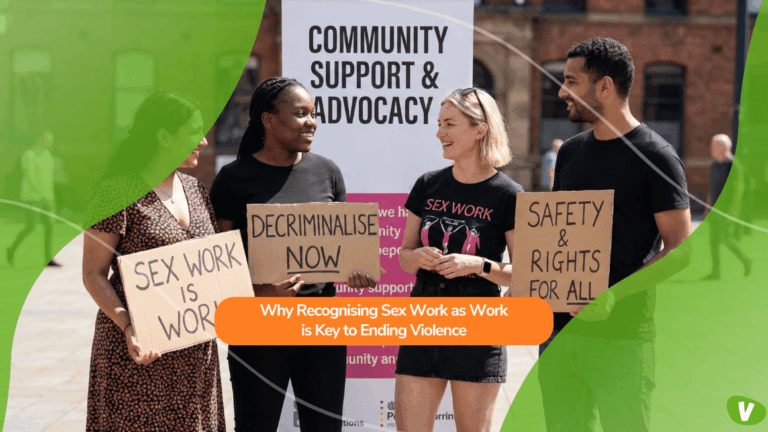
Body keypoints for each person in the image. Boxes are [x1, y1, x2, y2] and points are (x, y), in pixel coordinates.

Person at [536, 38, 692, 432]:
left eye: (571, 81)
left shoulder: (656, 156)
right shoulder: (570, 153)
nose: (561, 91)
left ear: (604, 86)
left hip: (622, 340)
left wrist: (611, 296)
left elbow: (681, 249)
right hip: (559, 335)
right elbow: (561, 235)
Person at [209, 77, 377, 432]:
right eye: (300, 114)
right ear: (269, 120)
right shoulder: (232, 179)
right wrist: (261, 292)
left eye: (313, 114)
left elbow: (342, 249)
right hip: (259, 331)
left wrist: (355, 270)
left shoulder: (327, 172)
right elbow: (220, 269)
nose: (311, 122)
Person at [82, 92, 226, 431]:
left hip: (195, 354)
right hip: (140, 352)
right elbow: (93, 273)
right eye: (193, 132)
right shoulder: (116, 192)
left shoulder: (195, 189)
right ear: (163, 136)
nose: (203, 141)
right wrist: (130, 327)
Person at [396, 87, 522, 432]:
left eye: (449, 124)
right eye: (439, 124)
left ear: (480, 128)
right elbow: (403, 257)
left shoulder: (508, 194)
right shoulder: (428, 185)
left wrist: (478, 265)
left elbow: (524, 273)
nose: (439, 133)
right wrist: (417, 256)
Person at [7, 129, 61, 267]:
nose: (49, 143)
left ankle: (48, 259)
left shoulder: (48, 156)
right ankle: (11, 250)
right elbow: (29, 176)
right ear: (39, 139)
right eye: (47, 140)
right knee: (30, 227)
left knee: (49, 227)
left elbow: (49, 179)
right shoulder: (29, 154)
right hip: (32, 197)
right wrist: (41, 194)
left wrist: (51, 197)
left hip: (47, 198)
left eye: (51, 140)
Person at [703, 134, 751, 280]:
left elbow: (738, 190)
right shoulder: (714, 164)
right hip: (715, 210)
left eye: (714, 146)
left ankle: (746, 260)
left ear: (723, 147)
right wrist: (708, 207)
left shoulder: (733, 165)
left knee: (726, 239)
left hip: (727, 211)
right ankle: (715, 272)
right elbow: (711, 188)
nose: (711, 149)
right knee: (713, 242)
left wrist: (731, 212)